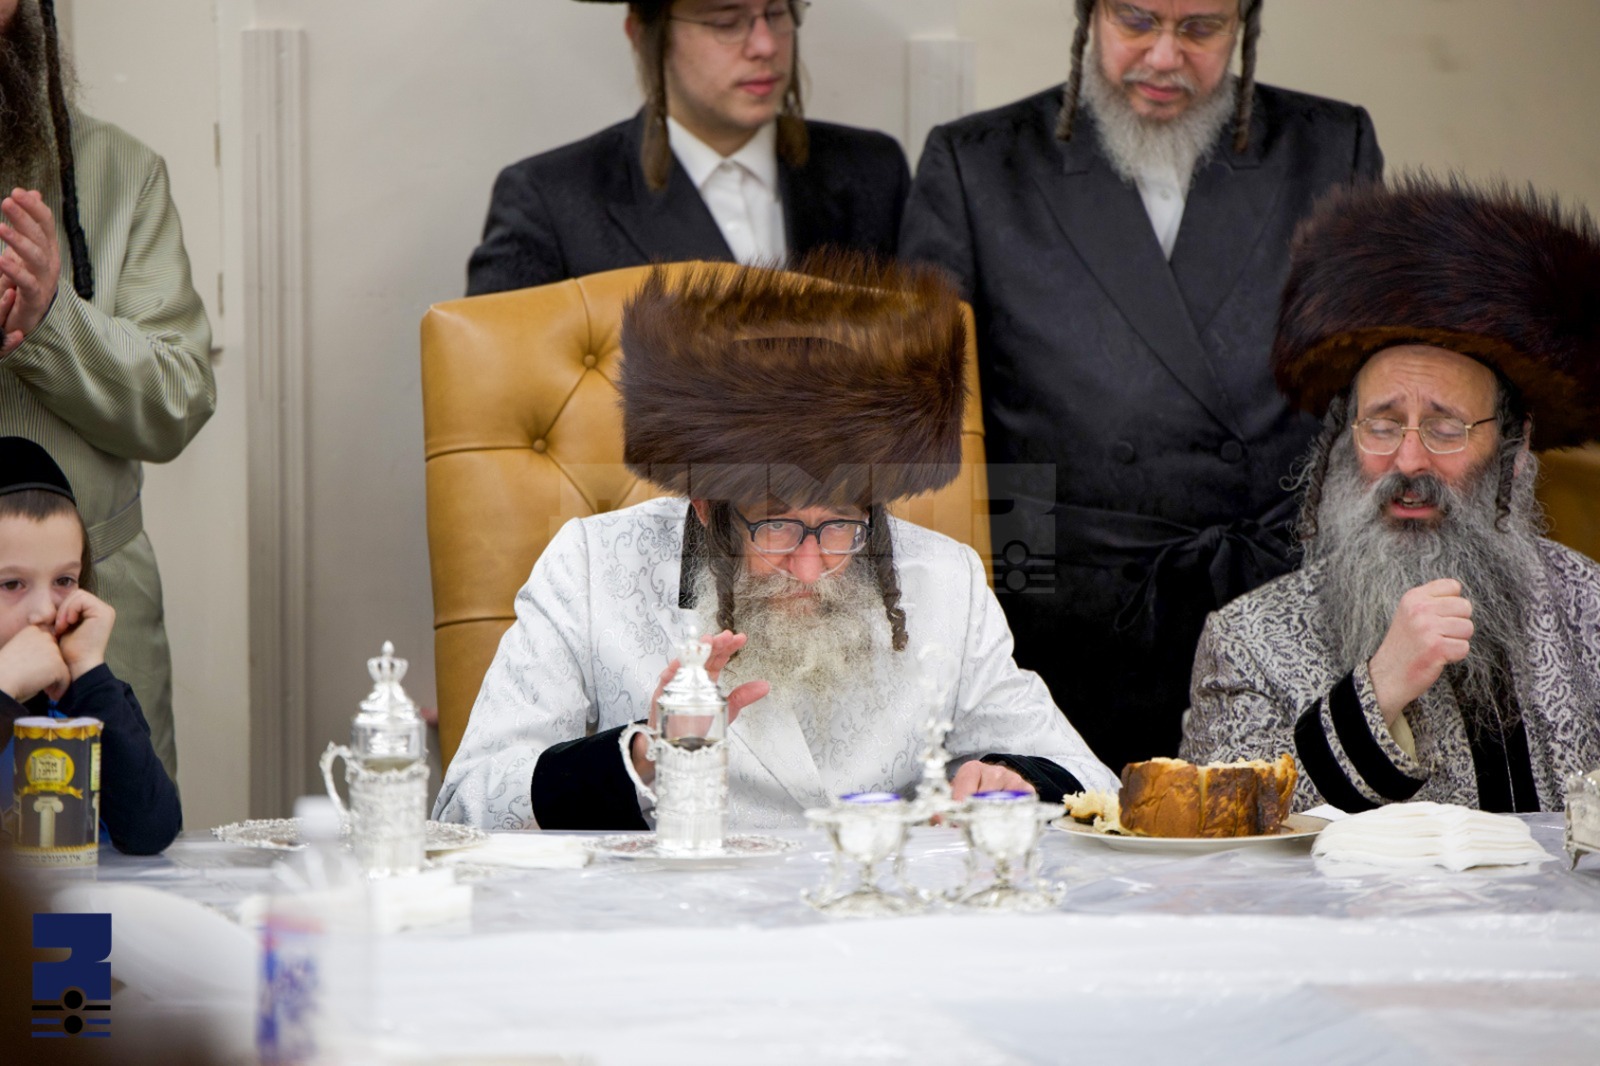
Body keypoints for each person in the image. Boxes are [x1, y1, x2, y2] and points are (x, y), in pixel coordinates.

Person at [435, 254, 1114, 830]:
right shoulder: (590, 565)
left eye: (840, 524)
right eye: (777, 525)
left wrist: (1010, 779)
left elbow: (1089, 781)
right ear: (706, 507)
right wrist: (644, 757)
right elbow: (467, 804)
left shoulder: (946, 579)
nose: (811, 566)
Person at [898, 0, 1382, 774]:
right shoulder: (978, 162)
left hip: (1269, 605)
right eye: (1136, 20)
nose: (1163, 57)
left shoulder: (1327, 147)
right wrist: (995, 593)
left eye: (1199, 29)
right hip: (1063, 614)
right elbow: (931, 421)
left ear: (1244, 25)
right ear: (1089, 14)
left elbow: (1367, 387)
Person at [1181, 175, 1600, 813]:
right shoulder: (1248, 644)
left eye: (1445, 428)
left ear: (1514, 451)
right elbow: (1220, 828)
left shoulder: (1590, 609)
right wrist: (1377, 691)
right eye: (1381, 425)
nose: (1408, 460)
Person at [0, 0, 215, 780]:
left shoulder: (121, 172)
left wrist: (54, 319)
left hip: (91, 630)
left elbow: (179, 402)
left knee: (111, 855)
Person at [465, 0, 910, 296]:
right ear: (644, 34)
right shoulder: (551, 199)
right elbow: (494, 391)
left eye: (777, 12)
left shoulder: (872, 170)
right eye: (726, 22)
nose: (766, 45)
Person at [0, 437, 181, 855]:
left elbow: (151, 831)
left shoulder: (89, 694)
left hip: (77, 898)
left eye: (64, 580)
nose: (44, 610)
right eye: (11, 584)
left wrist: (89, 674)